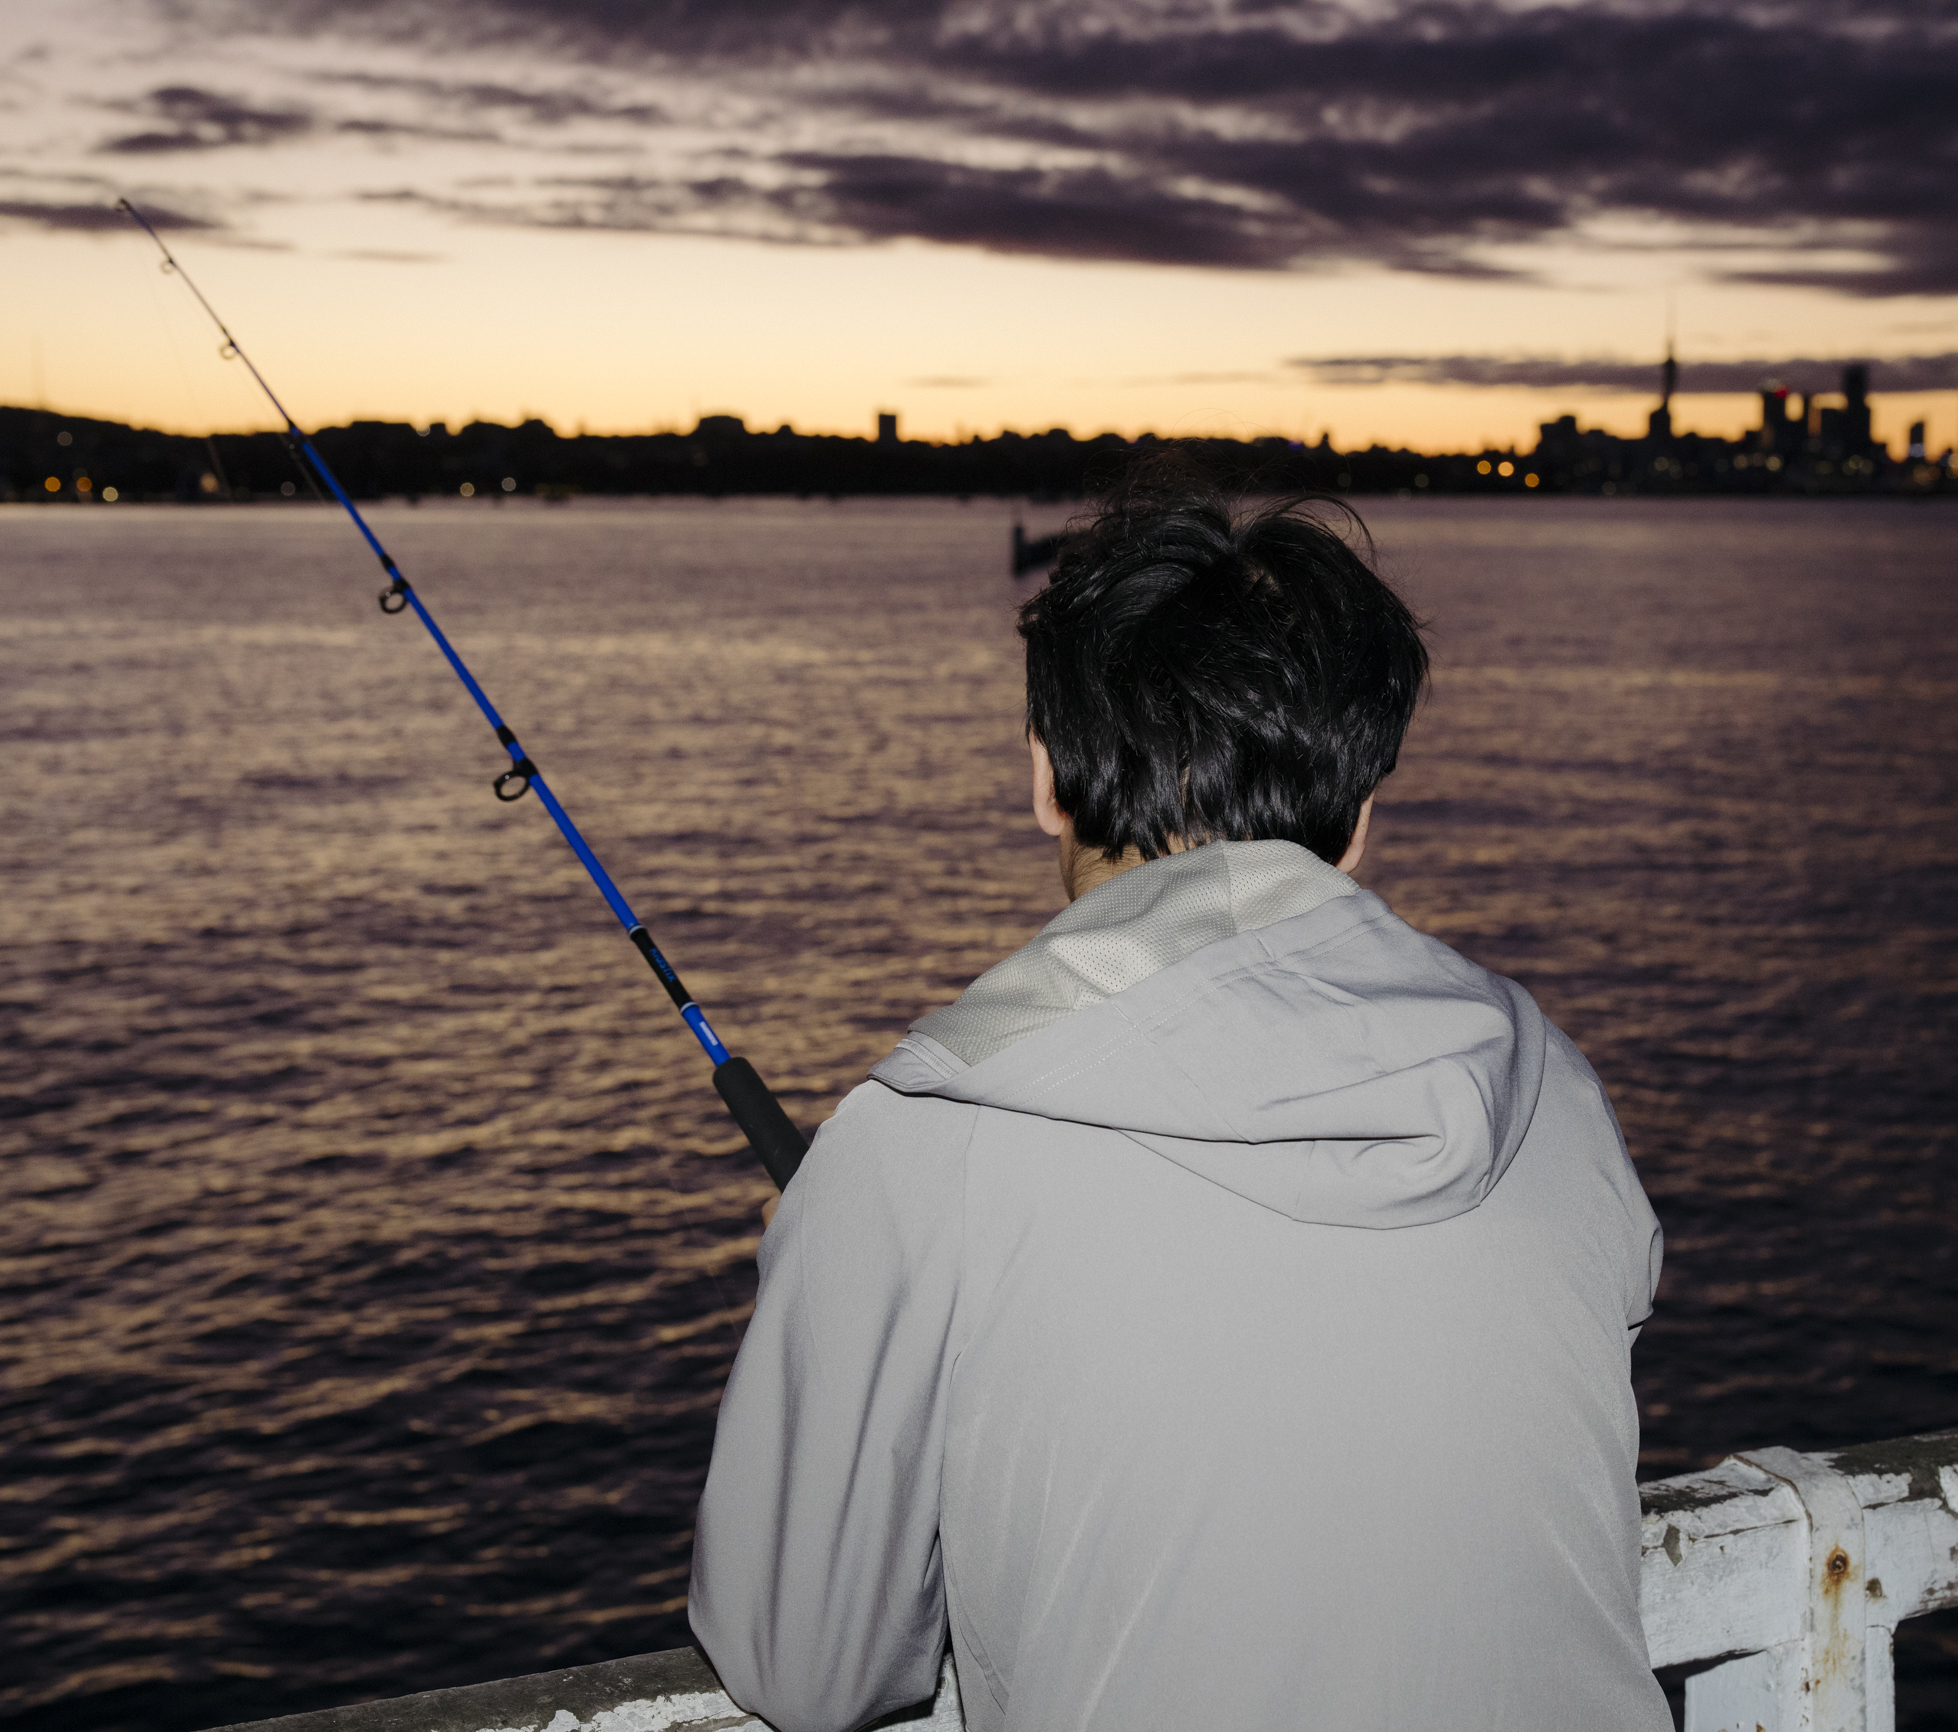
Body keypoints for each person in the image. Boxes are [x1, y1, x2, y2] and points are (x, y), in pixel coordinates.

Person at [689, 474, 1669, 1732]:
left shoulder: (927, 1139)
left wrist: (823, 1248)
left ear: (1045, 775)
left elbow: (802, 1667)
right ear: (1359, 814)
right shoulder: (1557, 1090)